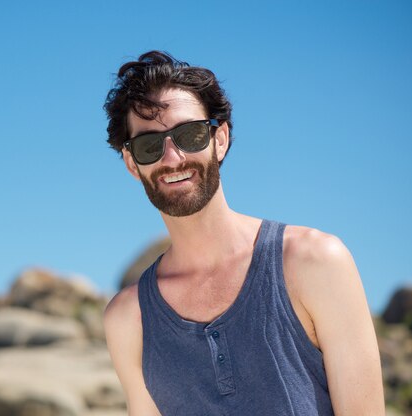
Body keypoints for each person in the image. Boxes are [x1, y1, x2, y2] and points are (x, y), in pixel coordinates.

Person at [102, 51, 384, 415]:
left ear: (219, 140)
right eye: (149, 145)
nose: (172, 158)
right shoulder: (128, 319)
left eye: (189, 135)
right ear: (131, 163)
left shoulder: (315, 263)